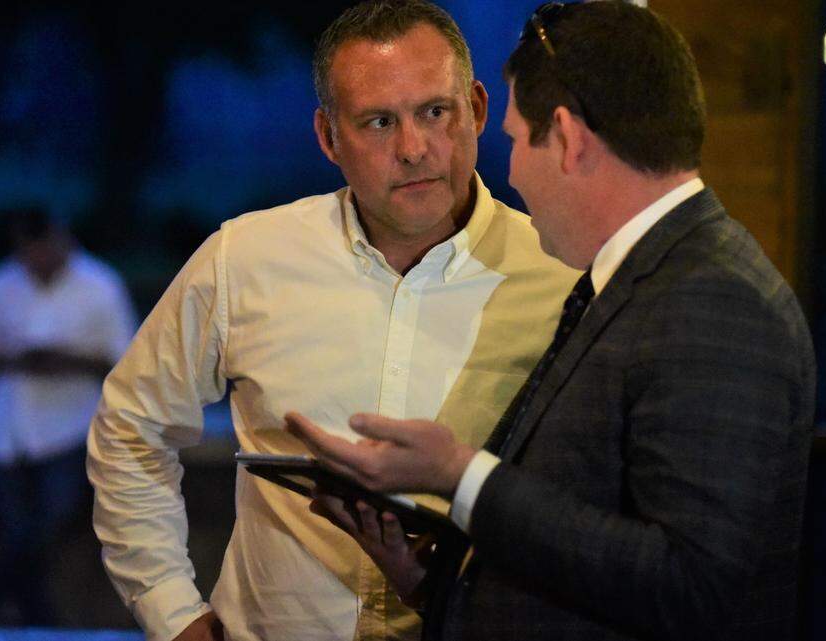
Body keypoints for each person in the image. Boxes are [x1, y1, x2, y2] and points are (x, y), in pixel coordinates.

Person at [285, 2, 818, 641]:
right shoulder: (652, 277)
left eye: (513, 138)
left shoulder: (713, 300)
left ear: (566, 138)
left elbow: (689, 586)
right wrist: (433, 579)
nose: (508, 172)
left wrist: (458, 474)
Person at [85, 2, 578, 641]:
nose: (414, 148)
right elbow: (130, 426)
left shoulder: (560, 274)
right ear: (328, 138)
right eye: (378, 122)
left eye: (435, 111)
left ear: (478, 110)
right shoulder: (247, 259)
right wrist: (174, 613)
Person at [0, 207, 136, 624]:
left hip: (69, 427)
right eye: (27, 251)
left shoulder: (100, 285)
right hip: (6, 429)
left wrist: (68, 360)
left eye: (43, 248)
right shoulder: (1, 283)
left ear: (62, 239)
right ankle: (37, 619)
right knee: (20, 529)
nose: (35, 259)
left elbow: (125, 359)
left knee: (53, 523)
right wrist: (16, 358)